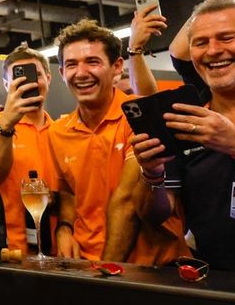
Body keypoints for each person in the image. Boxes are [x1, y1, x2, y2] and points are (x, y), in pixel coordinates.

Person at [121, 0, 235, 271]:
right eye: (200, 43)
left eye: (227, 37)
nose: (213, 51)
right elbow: (155, 214)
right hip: (216, 284)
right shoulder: (186, 119)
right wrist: (152, 175)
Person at [48, 19, 186, 264]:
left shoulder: (140, 120)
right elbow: (69, 191)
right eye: (71, 64)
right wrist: (65, 227)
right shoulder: (58, 131)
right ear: (61, 73)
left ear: (117, 67)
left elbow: (127, 205)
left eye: (93, 62)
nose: (81, 73)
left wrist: (105, 277)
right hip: (88, 264)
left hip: (150, 268)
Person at [0, 44, 58, 254]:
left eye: (36, 75)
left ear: (48, 78)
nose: (29, 83)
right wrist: (6, 126)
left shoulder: (61, 129)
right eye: (19, 77)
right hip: (10, 250)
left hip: (58, 250)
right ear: (6, 85)